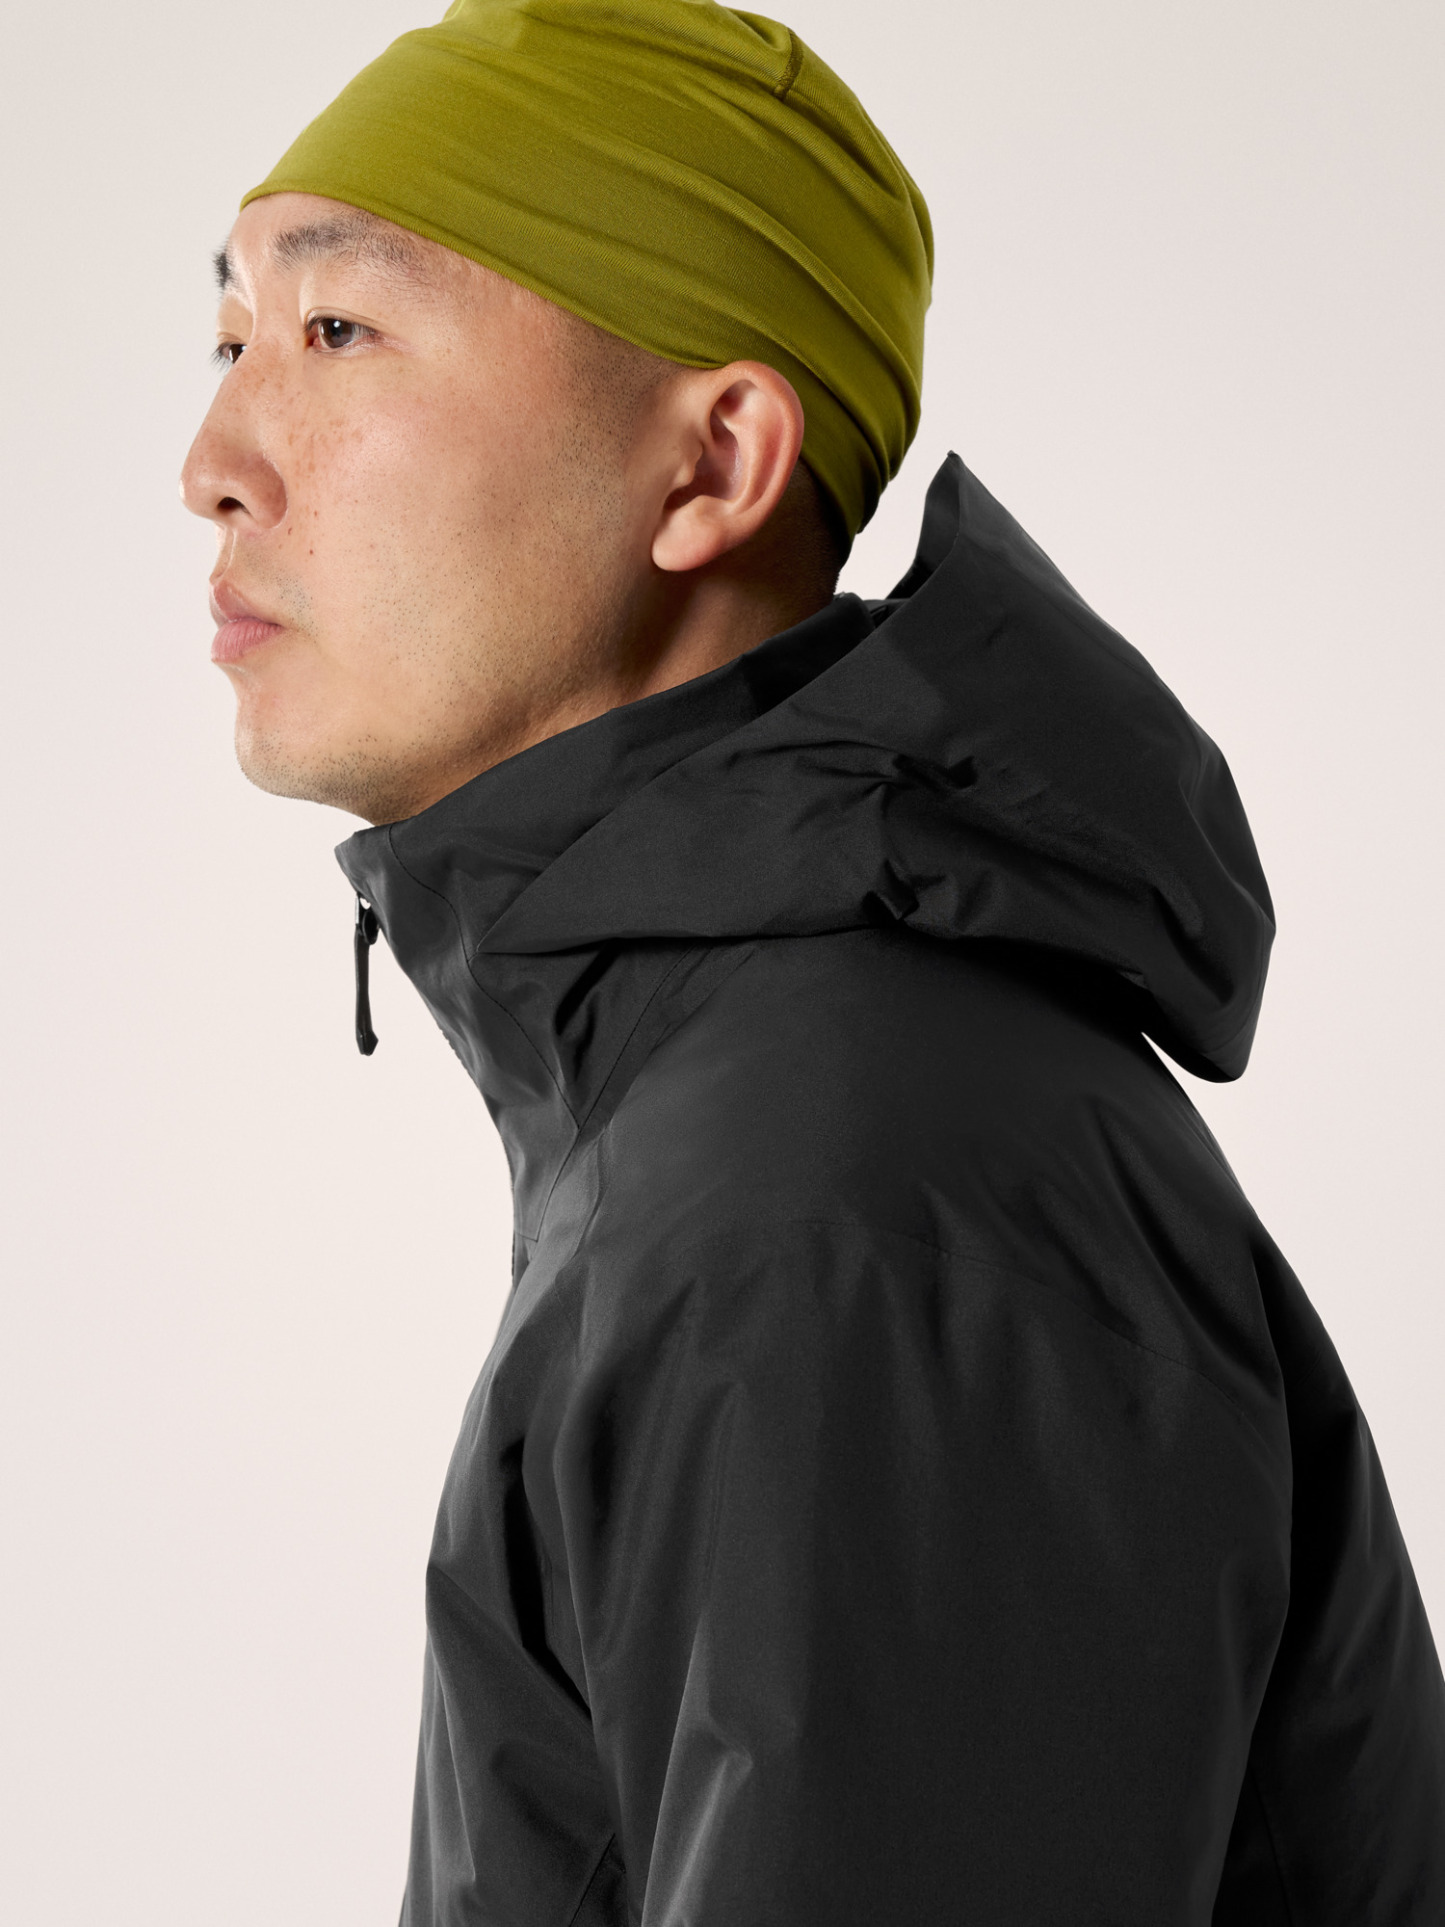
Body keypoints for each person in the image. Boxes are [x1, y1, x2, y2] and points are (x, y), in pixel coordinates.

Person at [180, 1, 1445, 1919]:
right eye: (230, 336)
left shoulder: (849, 1194)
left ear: (713, 463)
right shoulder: (748, 1105)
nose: (214, 459)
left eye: (338, 328)